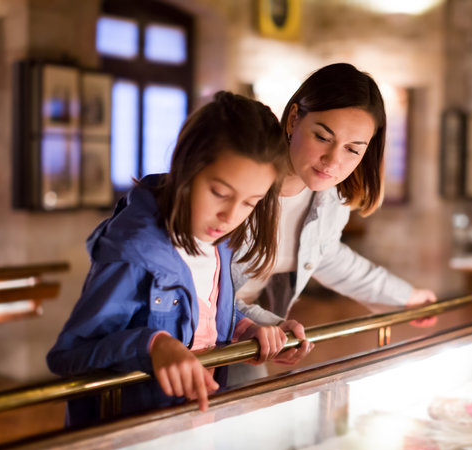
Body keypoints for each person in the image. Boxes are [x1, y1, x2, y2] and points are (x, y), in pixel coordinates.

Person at [47, 91, 301, 426]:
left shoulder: (218, 243)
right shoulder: (133, 251)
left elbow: (201, 314)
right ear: (187, 167)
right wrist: (153, 345)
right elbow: (70, 354)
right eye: (220, 193)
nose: (229, 216)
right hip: (131, 438)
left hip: (191, 426)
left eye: (249, 203)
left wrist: (246, 327)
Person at [229, 63, 438, 382]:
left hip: (249, 337)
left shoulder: (329, 198)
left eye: (353, 150)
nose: (334, 161)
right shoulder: (239, 183)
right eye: (323, 137)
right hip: (193, 331)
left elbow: (326, 256)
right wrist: (261, 324)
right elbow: (198, 285)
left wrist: (403, 296)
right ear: (294, 118)